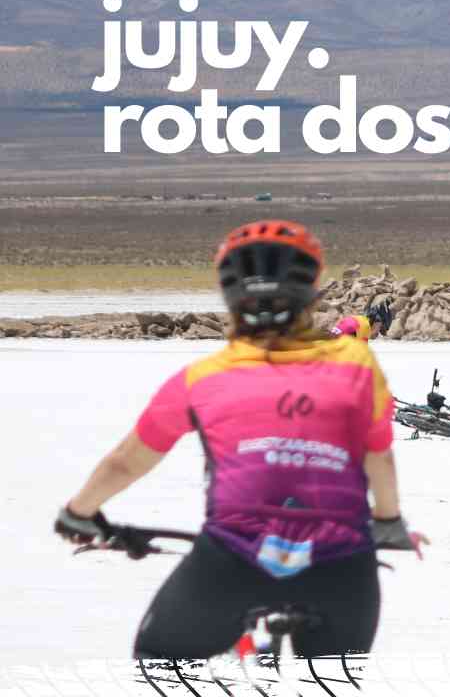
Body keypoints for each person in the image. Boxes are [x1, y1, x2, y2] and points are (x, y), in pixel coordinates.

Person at [53, 220, 426, 660]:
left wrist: (79, 513)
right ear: (311, 286)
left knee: (161, 665)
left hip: (233, 562)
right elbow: (378, 457)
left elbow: (126, 462)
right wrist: (387, 521)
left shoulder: (201, 378)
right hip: (342, 568)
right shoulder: (358, 365)